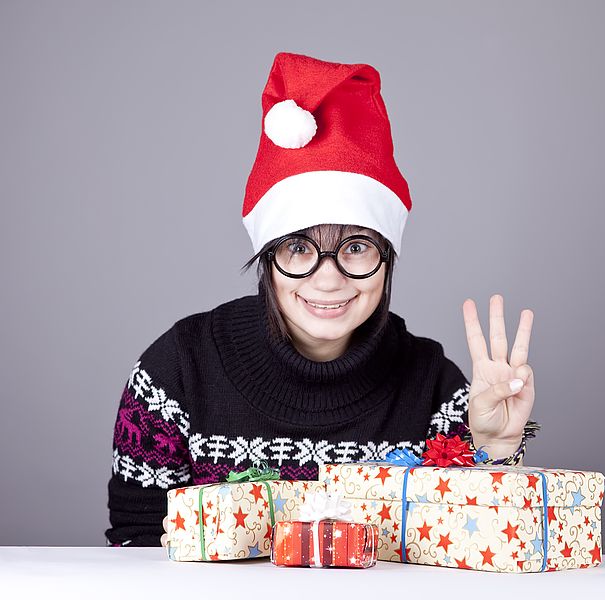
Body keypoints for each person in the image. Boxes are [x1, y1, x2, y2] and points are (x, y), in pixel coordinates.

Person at [105, 52, 537, 548]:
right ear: (267, 258)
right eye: (298, 247)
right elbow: (136, 547)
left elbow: (475, 548)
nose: (328, 280)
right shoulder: (178, 370)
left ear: (387, 258)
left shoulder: (435, 386)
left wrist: (496, 450)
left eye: (355, 247)